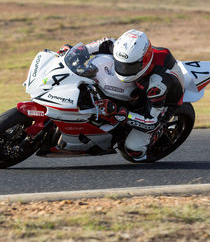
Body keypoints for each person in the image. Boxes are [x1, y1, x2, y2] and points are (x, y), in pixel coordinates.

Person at [58, 29, 185, 161]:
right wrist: (78, 51)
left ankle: (155, 136)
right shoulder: (129, 54)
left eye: (128, 67)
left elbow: (151, 122)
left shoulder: (156, 86)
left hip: (162, 104)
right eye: (119, 63)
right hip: (142, 85)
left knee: (133, 150)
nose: (122, 69)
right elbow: (106, 43)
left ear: (144, 62)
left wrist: (119, 111)